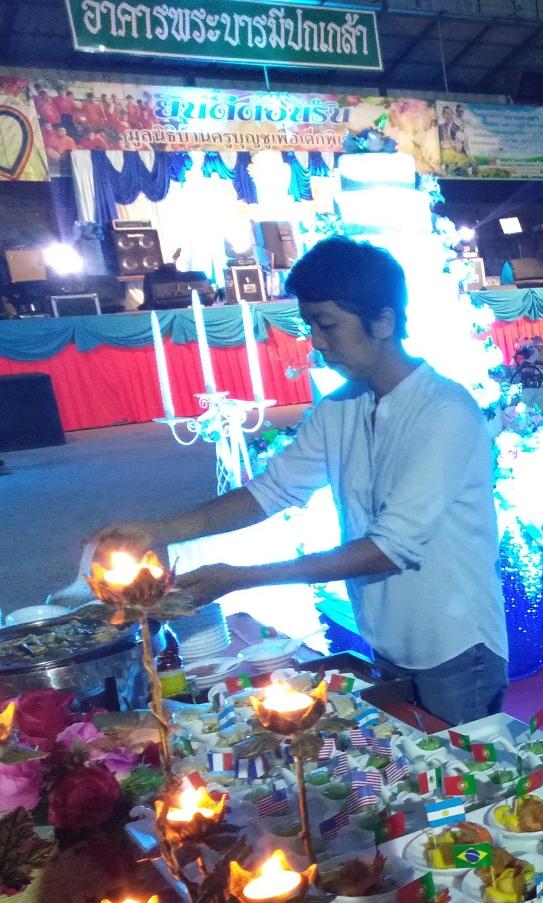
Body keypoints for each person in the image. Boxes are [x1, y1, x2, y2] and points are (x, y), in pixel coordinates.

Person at [86, 237, 508, 725]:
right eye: (310, 326)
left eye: (327, 325)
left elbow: (388, 548)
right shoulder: (341, 406)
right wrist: (158, 531)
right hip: (388, 636)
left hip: (455, 644)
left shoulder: (443, 411)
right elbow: (271, 490)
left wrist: (241, 578)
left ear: (383, 322)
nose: (317, 342)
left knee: (461, 765)